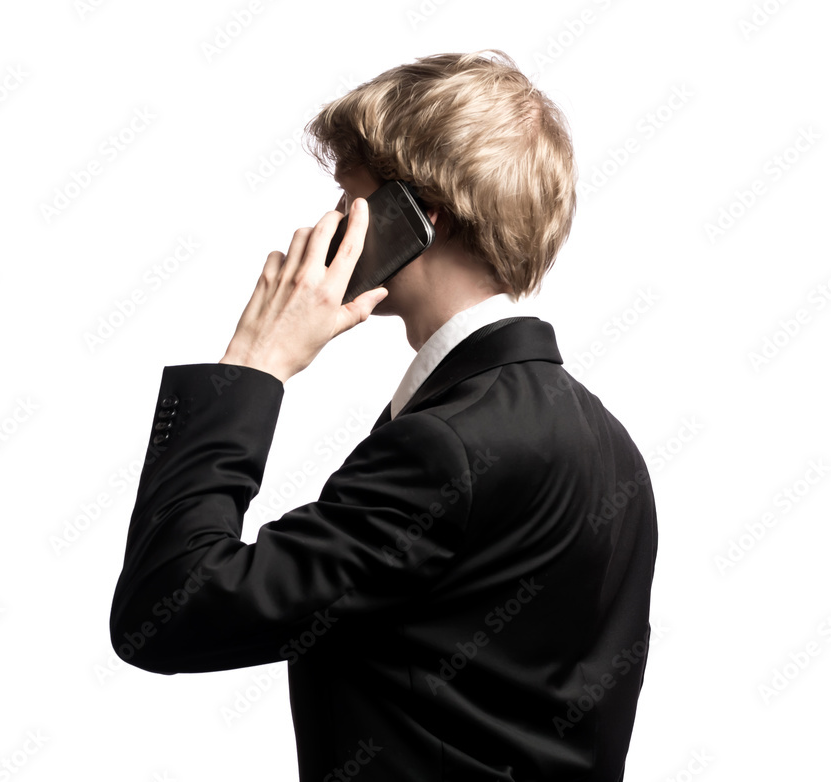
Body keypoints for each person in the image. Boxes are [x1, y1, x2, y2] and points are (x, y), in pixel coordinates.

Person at [109, 49, 657, 781]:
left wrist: (252, 366)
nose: (331, 226)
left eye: (349, 199)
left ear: (417, 219)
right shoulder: (610, 444)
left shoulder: (445, 447)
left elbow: (167, 613)